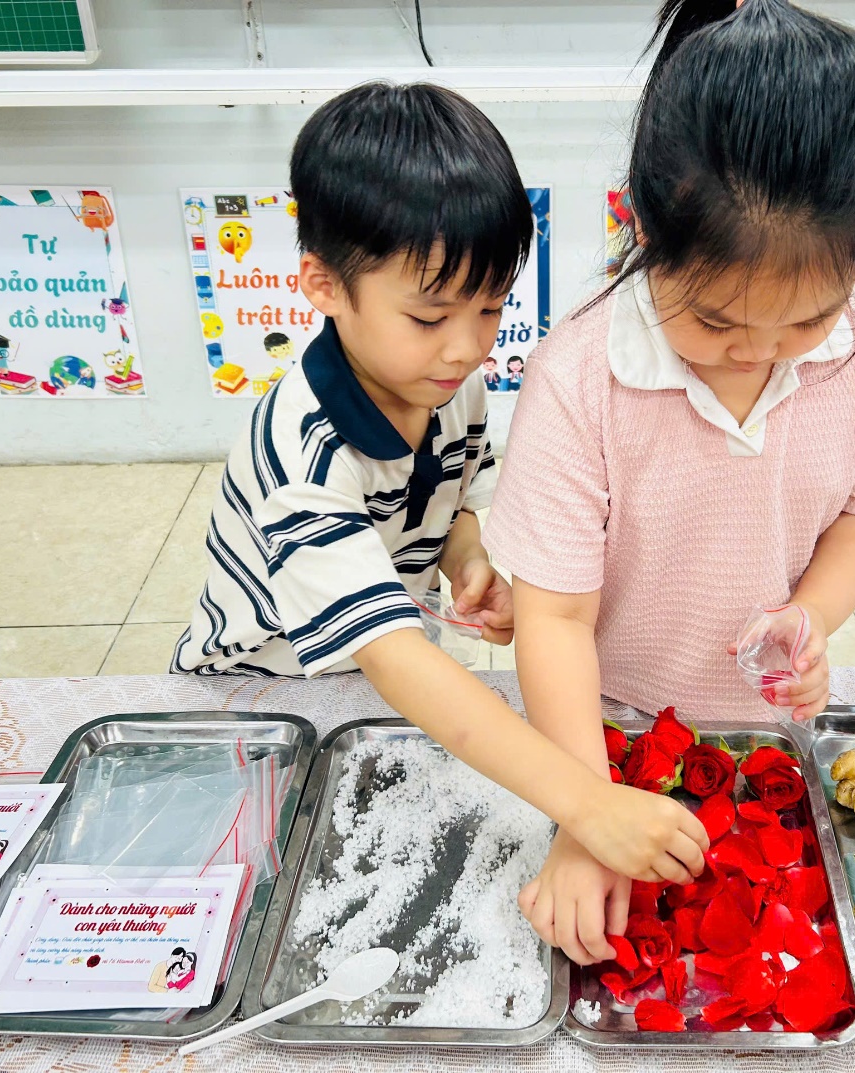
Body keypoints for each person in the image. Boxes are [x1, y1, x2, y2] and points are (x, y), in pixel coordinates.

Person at [484, 0, 855, 964]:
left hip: (761, 732)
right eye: (721, 325)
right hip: (598, 728)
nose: (762, 355)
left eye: (804, 321)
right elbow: (554, 621)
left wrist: (808, 616)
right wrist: (585, 810)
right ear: (646, 231)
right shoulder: (581, 377)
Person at [172, 83, 708, 892]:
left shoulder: (445, 385)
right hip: (268, 696)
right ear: (321, 284)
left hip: (368, 682)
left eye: (490, 309)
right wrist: (589, 804)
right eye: (429, 317)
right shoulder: (302, 455)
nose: (465, 348)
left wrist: (466, 557)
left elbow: (458, 496)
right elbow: (394, 661)